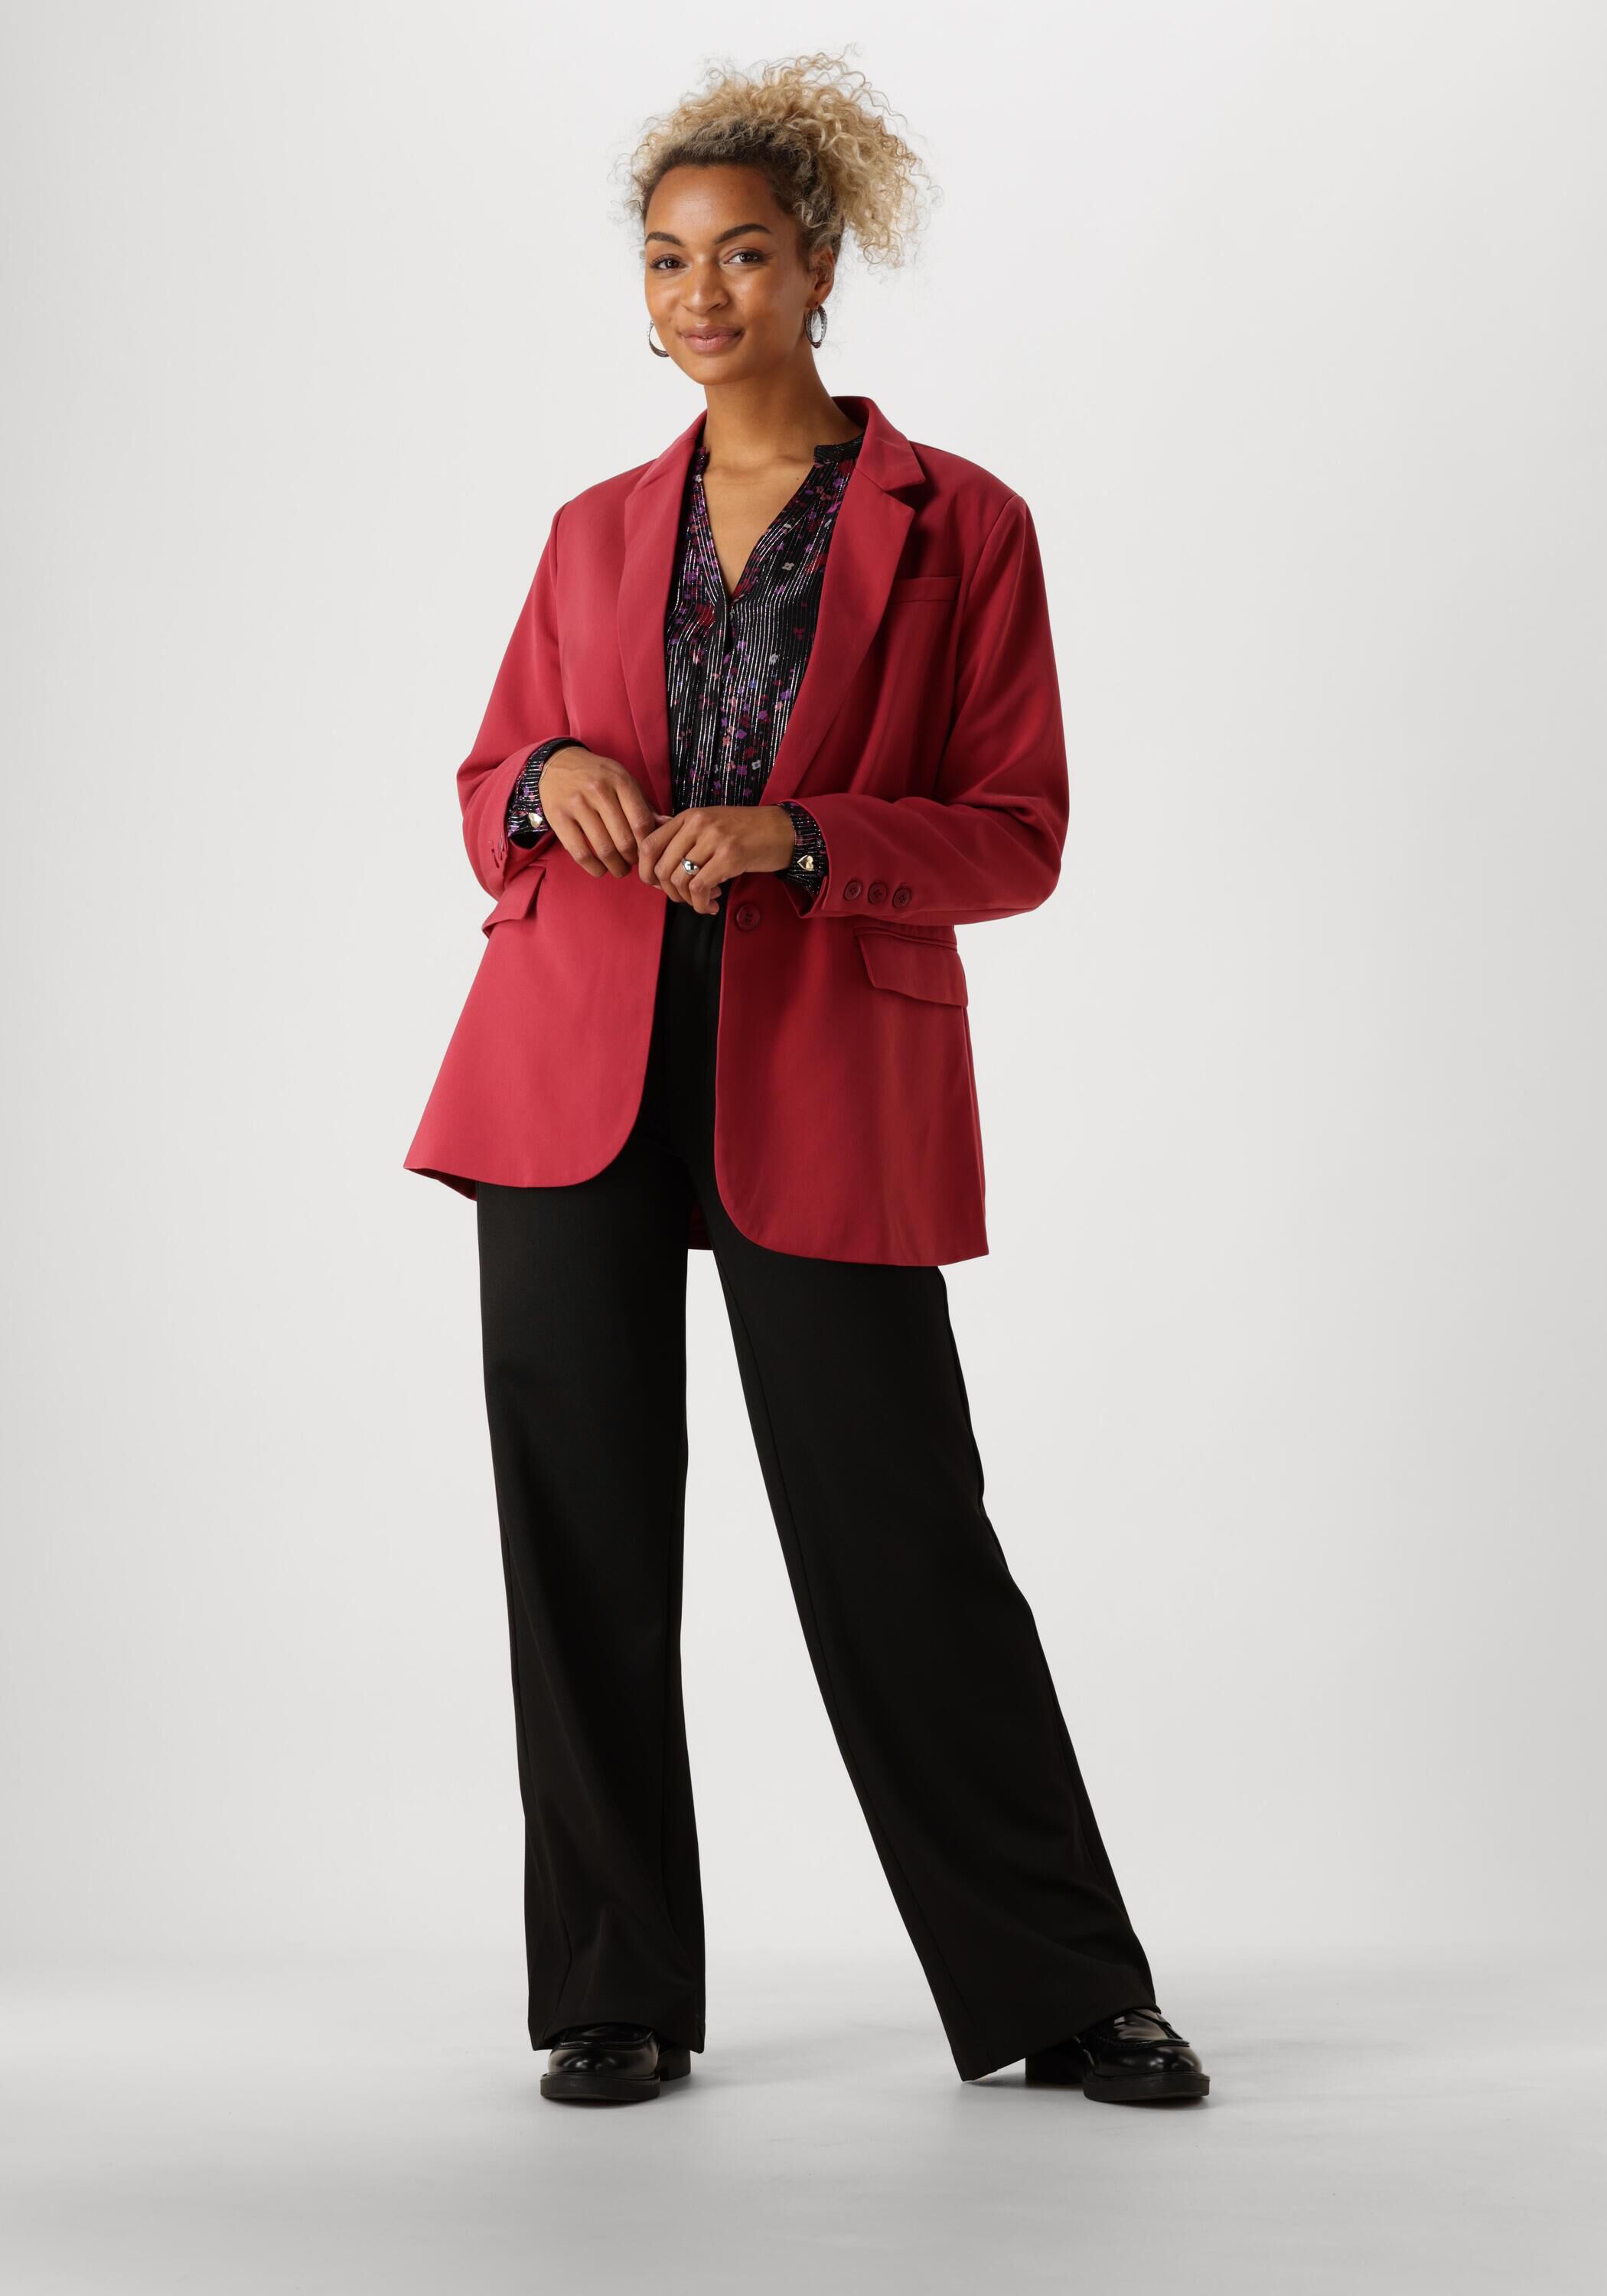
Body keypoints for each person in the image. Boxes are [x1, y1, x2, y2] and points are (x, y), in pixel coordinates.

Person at [405, 52, 1210, 2111]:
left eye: (744, 254)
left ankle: (1063, 1985)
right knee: (579, 1537)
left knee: (898, 1530)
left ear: (822, 265)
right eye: (667, 259)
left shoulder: (961, 525)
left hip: (826, 1068)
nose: (702, 294)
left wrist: (806, 836)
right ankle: (612, 1993)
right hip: (568, 1069)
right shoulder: (594, 528)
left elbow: (1017, 833)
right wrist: (547, 778)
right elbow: (488, 783)